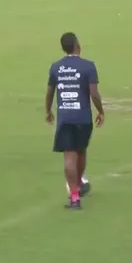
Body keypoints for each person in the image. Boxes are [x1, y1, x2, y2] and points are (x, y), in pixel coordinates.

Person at [45, 32, 104, 210]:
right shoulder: (88, 66)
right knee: (81, 151)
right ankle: (77, 185)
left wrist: (48, 110)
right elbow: (94, 93)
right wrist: (101, 111)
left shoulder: (56, 67)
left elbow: (50, 92)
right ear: (77, 45)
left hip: (65, 117)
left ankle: (74, 197)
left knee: (69, 156)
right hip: (83, 117)